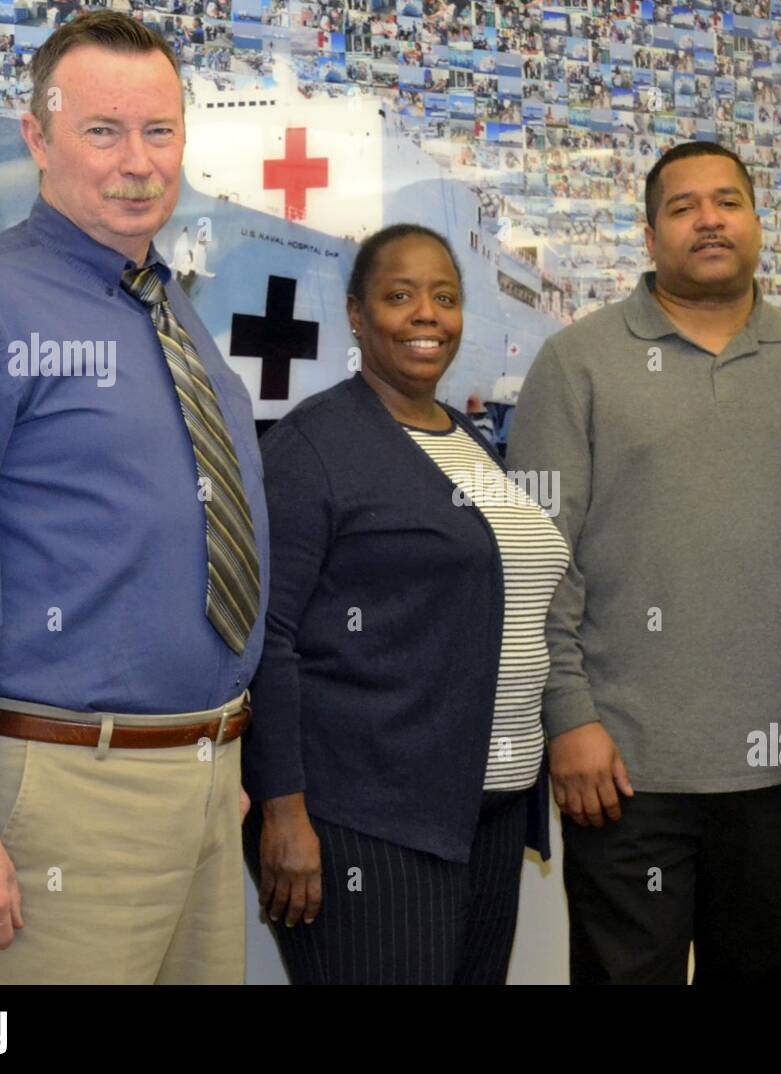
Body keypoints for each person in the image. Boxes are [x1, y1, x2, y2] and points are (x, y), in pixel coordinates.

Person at [0, 11, 267, 984]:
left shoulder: (175, 316)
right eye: (101, 131)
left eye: (158, 131)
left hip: (207, 786)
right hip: (60, 799)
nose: (137, 162)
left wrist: (209, 760)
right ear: (37, 139)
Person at [508, 140, 781, 985]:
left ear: (757, 223)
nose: (709, 220)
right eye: (683, 207)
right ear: (650, 235)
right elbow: (537, 556)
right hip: (626, 769)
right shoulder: (577, 363)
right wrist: (568, 715)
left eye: (728, 201)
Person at [243, 223, 569, 985]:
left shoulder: (466, 440)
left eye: (445, 298)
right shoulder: (314, 445)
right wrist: (284, 812)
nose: (427, 315)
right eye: (400, 296)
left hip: (485, 811)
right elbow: (271, 637)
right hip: (369, 820)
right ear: (356, 315)